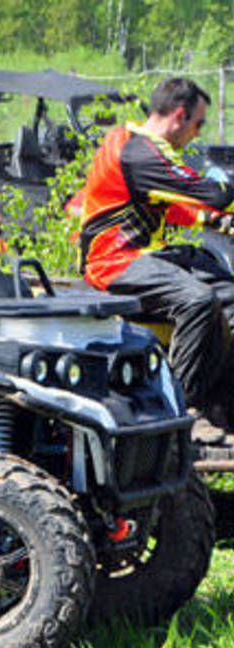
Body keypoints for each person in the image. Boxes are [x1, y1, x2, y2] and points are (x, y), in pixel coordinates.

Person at [79, 77, 234, 418]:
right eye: (199, 124)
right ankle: (172, 407)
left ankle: (224, 410)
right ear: (179, 115)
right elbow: (216, 195)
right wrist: (221, 208)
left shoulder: (140, 146)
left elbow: (175, 204)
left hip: (148, 254)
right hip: (113, 260)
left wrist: (217, 223)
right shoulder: (140, 151)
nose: (198, 133)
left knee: (227, 289)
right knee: (197, 300)